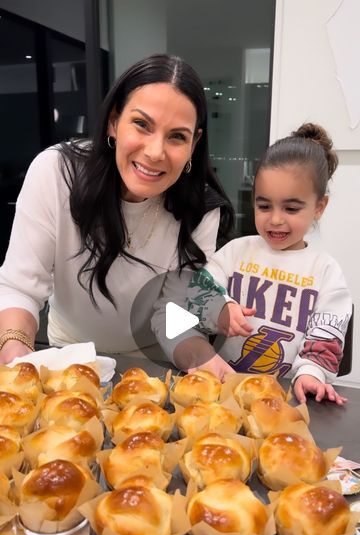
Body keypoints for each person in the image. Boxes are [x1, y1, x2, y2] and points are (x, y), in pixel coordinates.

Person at [0, 53, 234, 365]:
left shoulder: (199, 208)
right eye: (141, 124)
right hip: (71, 357)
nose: (154, 152)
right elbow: (20, 287)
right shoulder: (56, 173)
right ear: (113, 121)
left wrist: (201, 359)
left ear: (194, 144)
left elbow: (175, 311)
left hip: (155, 364)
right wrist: (15, 351)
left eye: (177, 136)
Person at [186, 123, 352, 405]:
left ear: (319, 207)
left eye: (291, 208)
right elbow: (195, 293)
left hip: (285, 398)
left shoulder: (325, 271)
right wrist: (219, 306)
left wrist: (311, 372)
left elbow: (328, 331)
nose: (275, 219)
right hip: (222, 390)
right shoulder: (236, 251)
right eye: (264, 206)